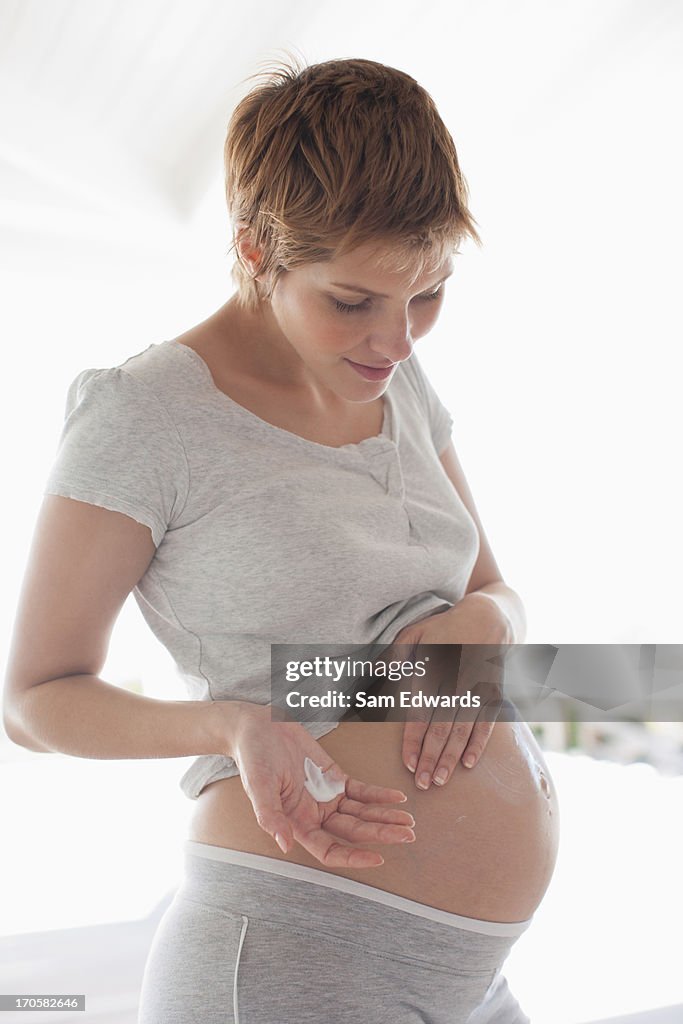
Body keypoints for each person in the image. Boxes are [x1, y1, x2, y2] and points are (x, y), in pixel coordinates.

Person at [3, 56, 559, 1023]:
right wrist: (230, 725)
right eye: (353, 300)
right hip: (294, 953)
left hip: (472, 973)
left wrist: (483, 621)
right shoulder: (144, 419)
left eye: (426, 294)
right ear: (257, 250)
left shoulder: (396, 382)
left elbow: (495, 589)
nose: (396, 339)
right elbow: (34, 701)